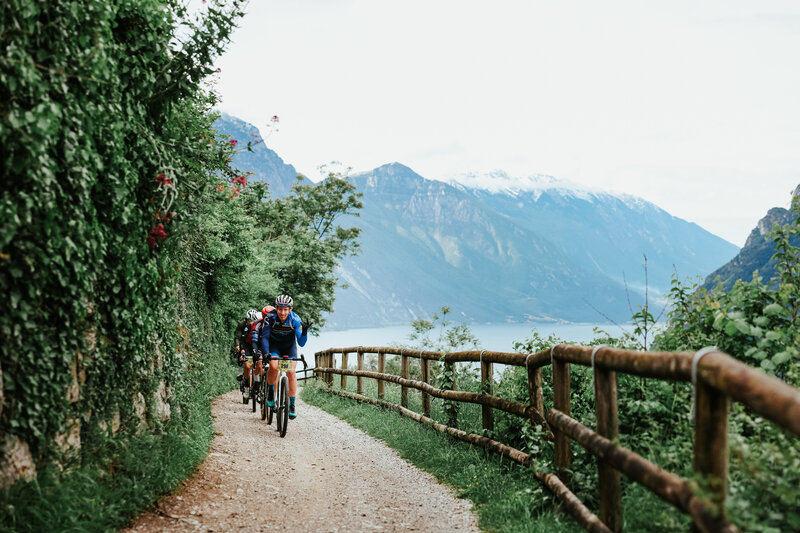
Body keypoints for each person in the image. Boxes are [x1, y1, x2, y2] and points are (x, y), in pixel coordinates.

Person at [259, 294, 312, 418]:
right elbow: (265, 337)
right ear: (276, 308)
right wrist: (266, 353)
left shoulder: (295, 319)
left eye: (285, 309)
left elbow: (301, 343)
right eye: (280, 309)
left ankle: (292, 405)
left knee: (291, 372)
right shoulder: (270, 317)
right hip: (274, 346)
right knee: (273, 366)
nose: (282, 313)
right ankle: (271, 392)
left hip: (289, 347)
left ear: (290, 309)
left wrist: (304, 332)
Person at [238, 308, 263, 399]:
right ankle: (246, 386)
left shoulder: (264, 326)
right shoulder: (248, 327)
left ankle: (257, 383)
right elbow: (242, 341)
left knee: (259, 364)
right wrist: (243, 352)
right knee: (248, 366)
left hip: (258, 346)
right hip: (248, 346)